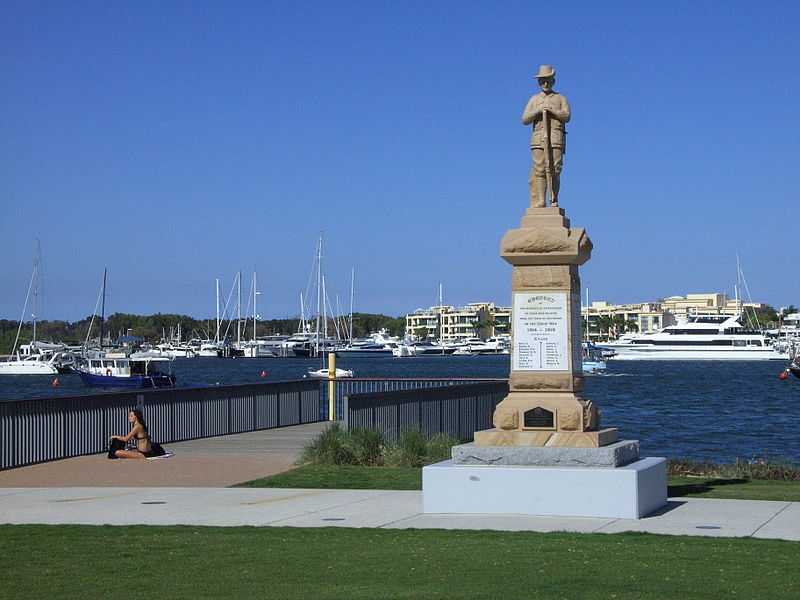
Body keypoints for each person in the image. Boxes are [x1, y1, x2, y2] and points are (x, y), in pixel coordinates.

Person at [521, 65, 571, 207]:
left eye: (548, 80)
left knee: (554, 169)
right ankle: (541, 200)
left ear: (553, 81)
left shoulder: (560, 98)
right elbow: (525, 119)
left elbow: (567, 116)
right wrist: (537, 111)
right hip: (538, 138)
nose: (545, 83)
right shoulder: (534, 99)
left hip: (555, 137)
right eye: (542, 80)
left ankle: (553, 199)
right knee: (539, 169)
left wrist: (553, 111)